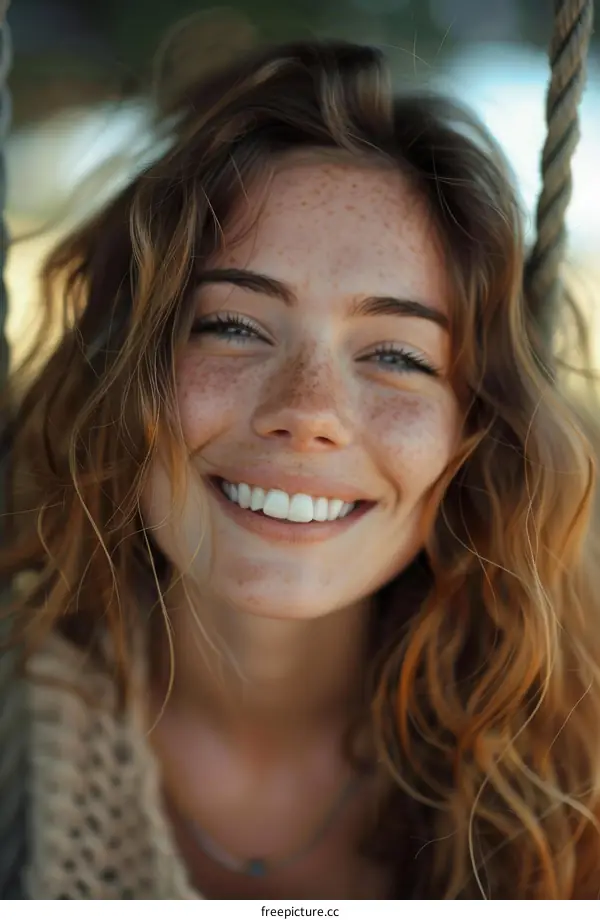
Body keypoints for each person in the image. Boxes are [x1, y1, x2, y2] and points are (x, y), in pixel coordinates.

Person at [1, 34, 599, 901]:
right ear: (126, 371)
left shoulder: (573, 779)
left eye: (396, 355)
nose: (309, 411)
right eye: (235, 326)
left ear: (477, 433)